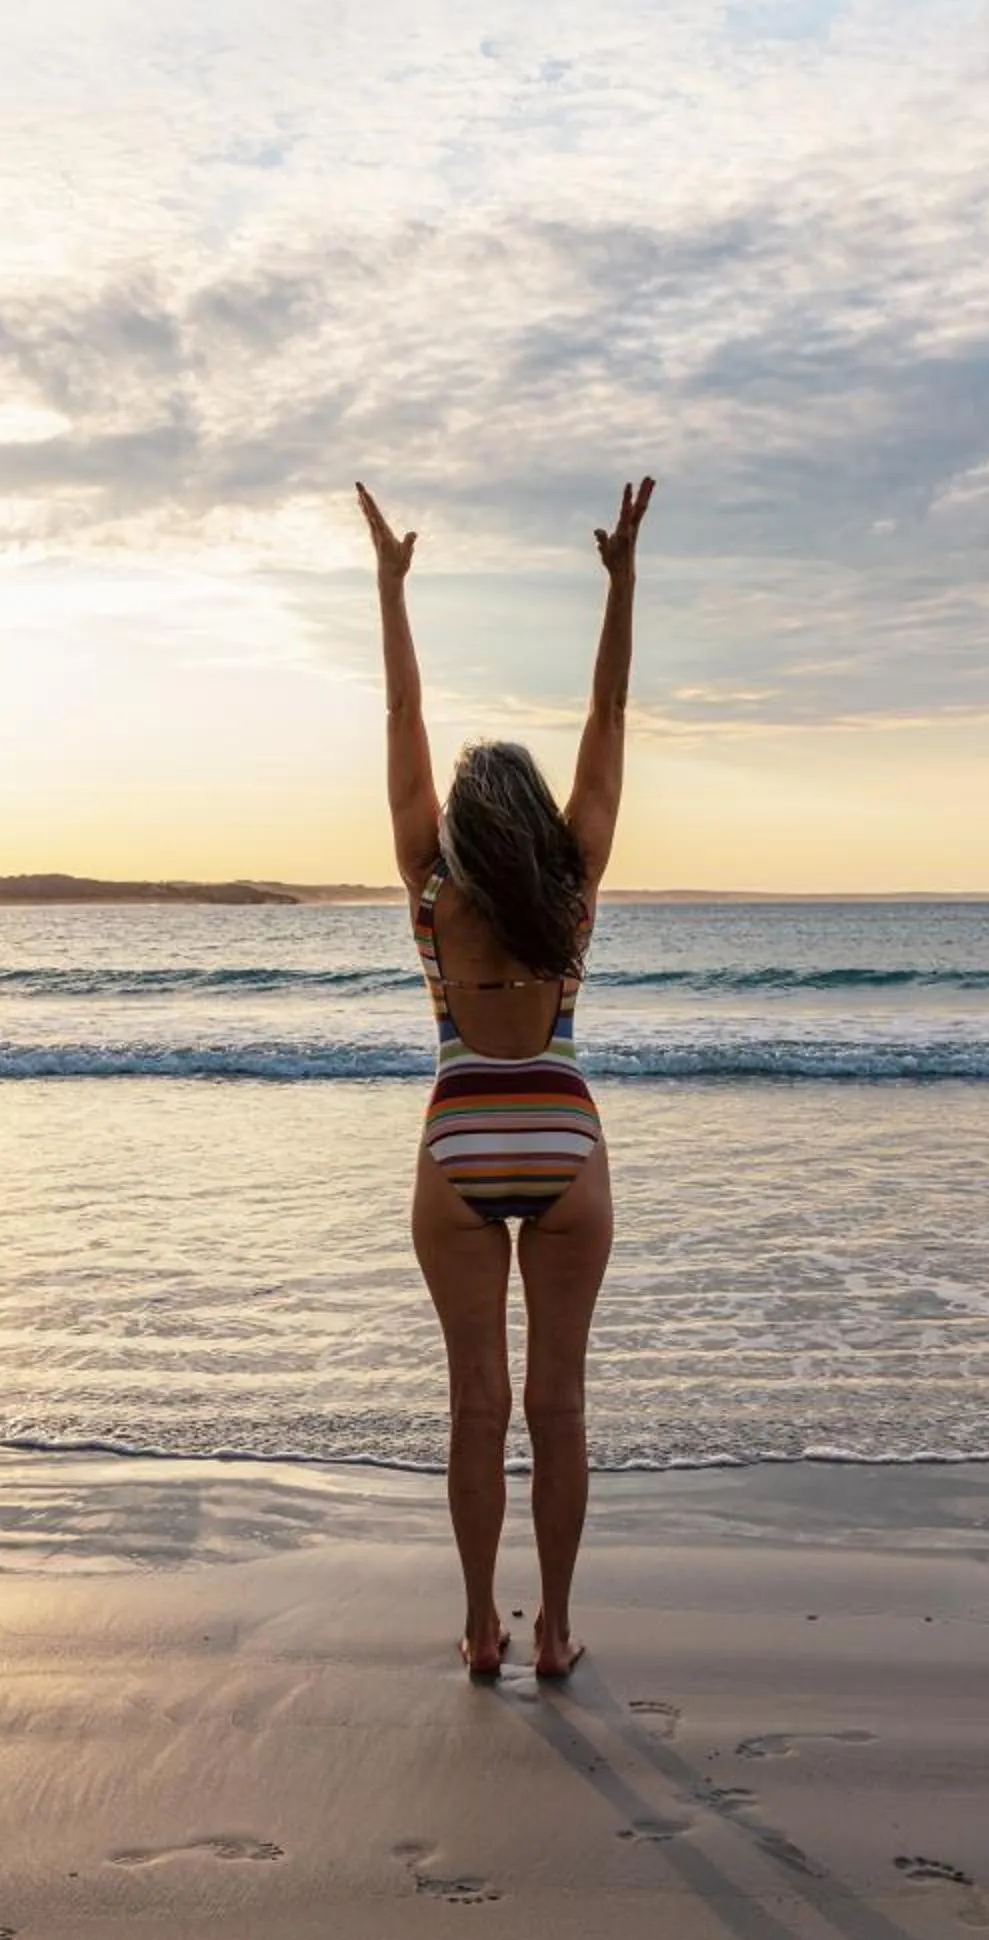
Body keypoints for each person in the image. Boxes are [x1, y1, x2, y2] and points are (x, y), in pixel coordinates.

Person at [356, 475, 654, 1682]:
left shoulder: (431, 885)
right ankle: (559, 1630)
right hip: (564, 1139)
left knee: (476, 1403)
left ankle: (481, 1625)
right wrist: (622, 582)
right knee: (561, 1405)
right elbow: (613, 712)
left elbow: (399, 712)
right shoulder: (573, 883)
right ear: (533, 818)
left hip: (458, 1139)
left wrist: (392, 587)